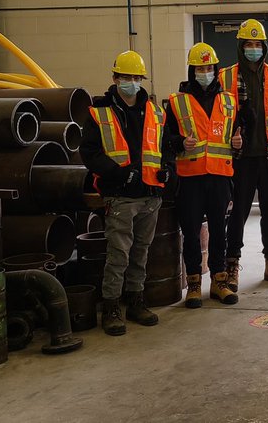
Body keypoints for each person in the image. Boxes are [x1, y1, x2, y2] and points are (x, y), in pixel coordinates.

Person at [80, 50, 173, 335]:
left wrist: (167, 169)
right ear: (115, 78)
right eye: (125, 77)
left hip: (150, 194)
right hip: (120, 195)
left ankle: (135, 300)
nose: (131, 82)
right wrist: (117, 173)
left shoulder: (156, 112)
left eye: (135, 77)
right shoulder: (100, 113)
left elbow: (165, 147)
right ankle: (111, 307)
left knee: (141, 252)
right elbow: (89, 153)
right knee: (118, 253)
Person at [163, 42, 242, 308]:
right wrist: (178, 142)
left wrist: (238, 141)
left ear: (216, 69)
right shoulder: (176, 102)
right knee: (192, 231)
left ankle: (219, 281)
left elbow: (234, 134)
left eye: (209, 67)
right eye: (200, 68)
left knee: (220, 230)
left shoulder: (229, 101)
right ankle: (194, 283)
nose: (205, 72)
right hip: (190, 177)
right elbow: (165, 138)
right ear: (191, 70)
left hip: (220, 176)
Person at [219, 19, 268, 290]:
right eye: (248, 44)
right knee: (237, 213)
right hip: (240, 159)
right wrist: (232, 133)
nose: (254, 49)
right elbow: (217, 117)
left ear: (264, 47)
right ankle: (232, 265)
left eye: (258, 45)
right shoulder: (225, 77)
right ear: (241, 46)